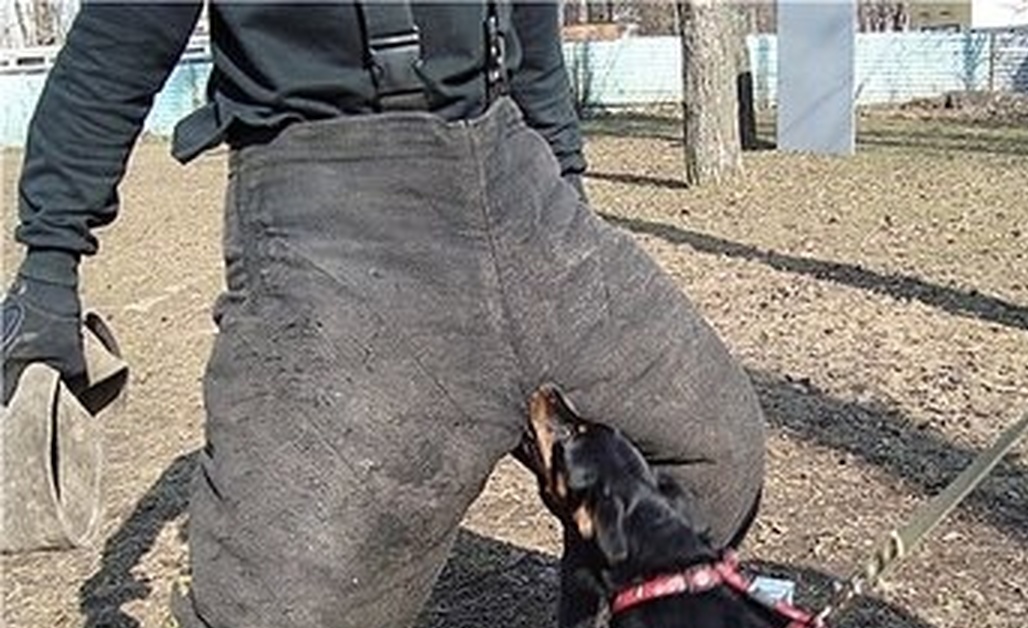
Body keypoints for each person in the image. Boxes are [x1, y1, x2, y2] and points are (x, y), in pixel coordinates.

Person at [1, 2, 766, 627]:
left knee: (715, 450)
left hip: (515, 174)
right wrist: (49, 263)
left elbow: (530, 22)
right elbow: (117, 39)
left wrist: (564, 177)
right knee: (277, 612)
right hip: (331, 204)